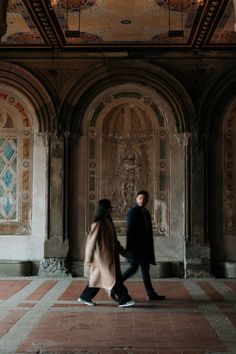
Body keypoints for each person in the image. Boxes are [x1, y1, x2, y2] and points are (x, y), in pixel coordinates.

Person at [78, 198, 135, 308]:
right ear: (106, 208)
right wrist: (88, 260)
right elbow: (90, 242)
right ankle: (124, 299)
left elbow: (114, 241)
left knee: (99, 279)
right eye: (110, 206)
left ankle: (85, 297)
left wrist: (123, 252)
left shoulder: (107, 221)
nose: (112, 208)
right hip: (102, 258)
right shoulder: (98, 223)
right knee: (115, 278)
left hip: (110, 257)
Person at [122, 191, 165, 301]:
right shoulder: (133, 212)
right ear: (136, 199)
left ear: (147, 200)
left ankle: (151, 294)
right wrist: (129, 249)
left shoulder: (146, 212)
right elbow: (130, 231)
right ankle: (114, 286)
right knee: (133, 269)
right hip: (135, 248)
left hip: (144, 248)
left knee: (145, 270)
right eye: (140, 198)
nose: (142, 200)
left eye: (145, 198)